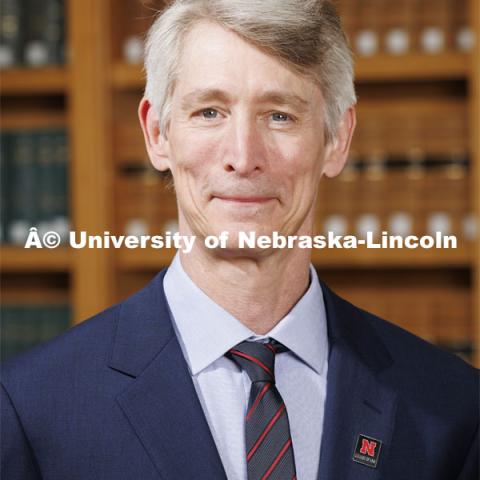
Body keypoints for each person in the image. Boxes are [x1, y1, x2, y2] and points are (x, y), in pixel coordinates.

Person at [1, 1, 478, 479]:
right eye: (209, 112)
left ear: (337, 138)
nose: (243, 156)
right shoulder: (31, 407)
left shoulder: (453, 407)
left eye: (280, 116)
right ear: (156, 133)